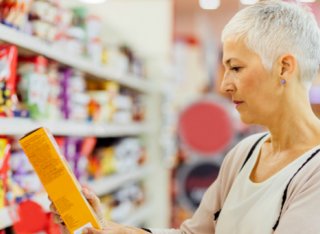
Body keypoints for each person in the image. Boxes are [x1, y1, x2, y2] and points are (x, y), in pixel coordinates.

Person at [51, 1, 320, 233]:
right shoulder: (245, 154)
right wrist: (113, 229)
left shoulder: (313, 171)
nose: (226, 85)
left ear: (284, 67)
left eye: (236, 67)